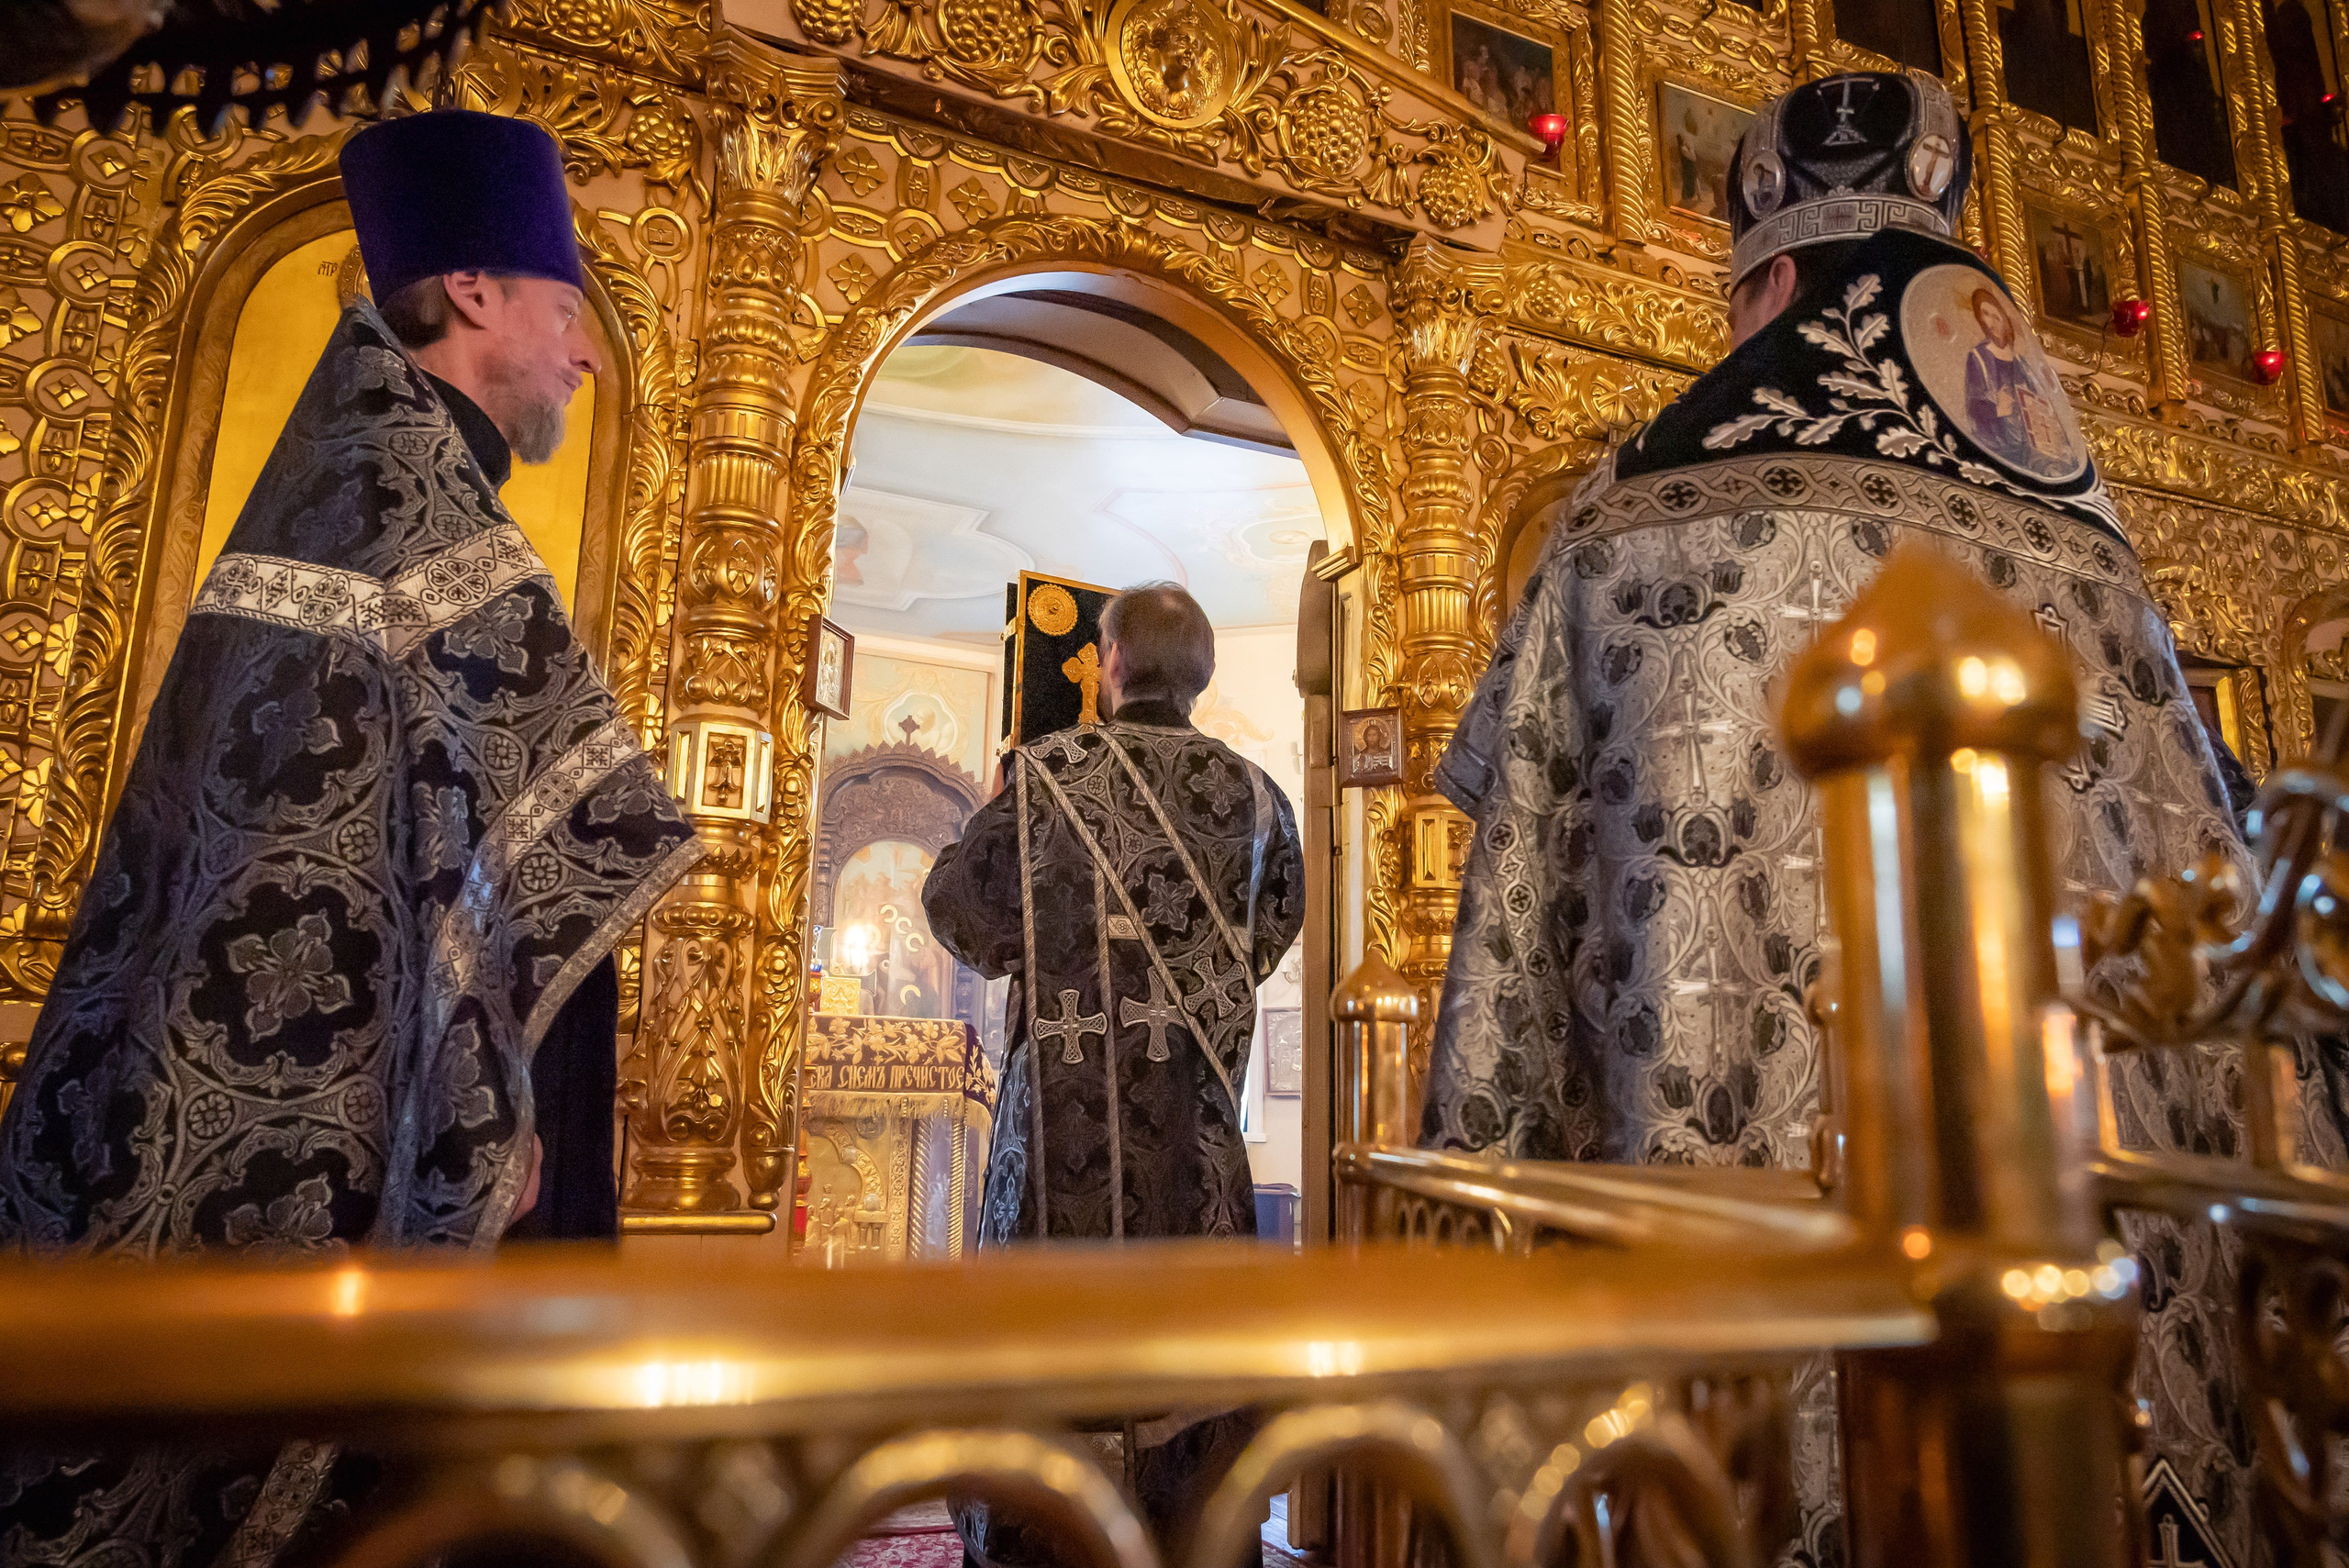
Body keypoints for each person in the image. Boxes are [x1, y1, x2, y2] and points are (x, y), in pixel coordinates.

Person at [1422, 69, 2269, 1563]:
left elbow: (1520, 960)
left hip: (1732, 1318)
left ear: (1771, 283)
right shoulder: (2095, 560)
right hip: (2078, 1315)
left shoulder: (1627, 514)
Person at [0, 107, 699, 1562]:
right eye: (567, 308)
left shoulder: (365, 478)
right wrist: (488, 1109)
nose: (585, 352)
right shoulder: (405, 505)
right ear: (475, 290)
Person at [923, 583, 1304, 1568]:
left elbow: (960, 912)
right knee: (1191, 1368)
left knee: (1044, 1352)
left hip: (1055, 1152)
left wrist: (1002, 812)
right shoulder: (1262, 800)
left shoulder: (1044, 778)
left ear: (1113, 664)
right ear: (1200, 674)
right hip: (1197, 1146)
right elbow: (1267, 938)